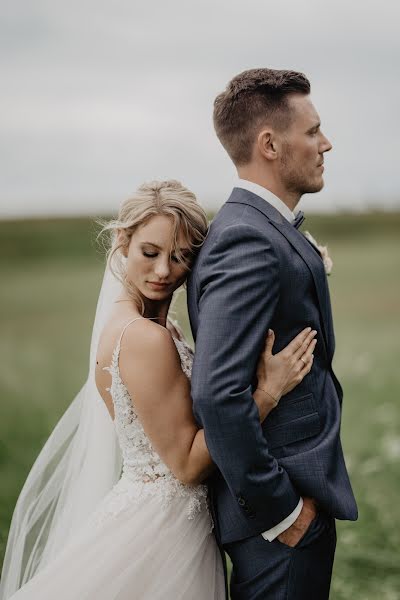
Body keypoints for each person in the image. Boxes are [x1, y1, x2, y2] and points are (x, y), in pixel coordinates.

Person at [0, 180, 317, 599]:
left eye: (182, 256)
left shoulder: (149, 326)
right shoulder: (143, 338)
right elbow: (185, 465)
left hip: (166, 520)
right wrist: (267, 393)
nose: (165, 271)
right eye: (150, 253)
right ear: (122, 242)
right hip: (162, 535)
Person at [187, 68, 358, 599]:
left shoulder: (263, 227)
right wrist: (280, 510)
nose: (325, 143)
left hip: (299, 497)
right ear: (269, 144)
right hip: (280, 516)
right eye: (312, 131)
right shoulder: (247, 239)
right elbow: (217, 394)